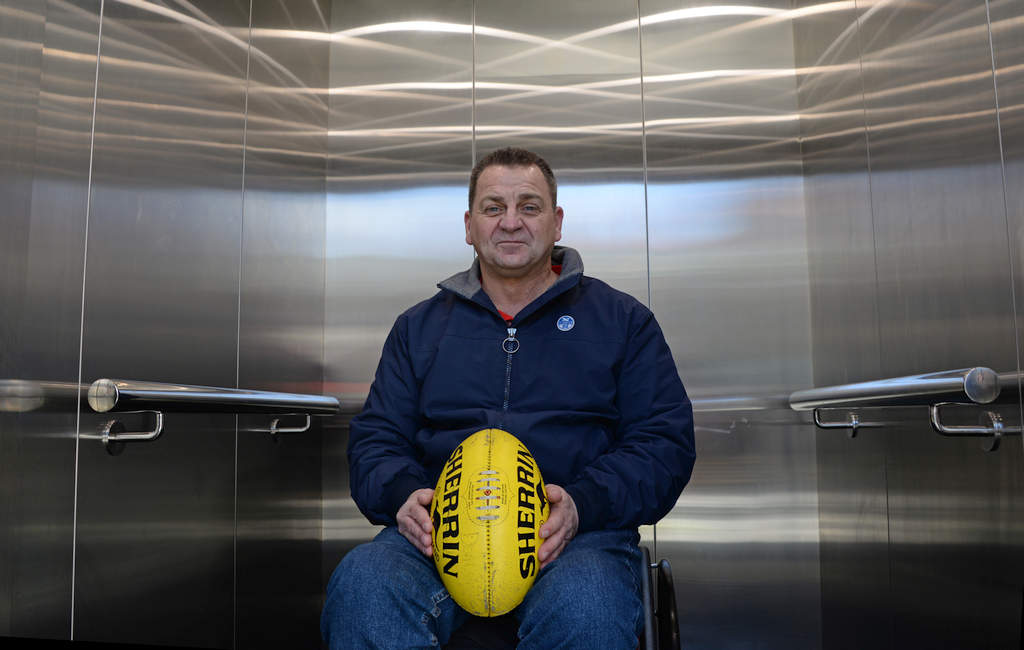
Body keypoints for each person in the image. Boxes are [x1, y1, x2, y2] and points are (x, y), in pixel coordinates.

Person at [322, 147, 695, 649]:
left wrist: (583, 504)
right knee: (364, 584)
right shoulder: (419, 328)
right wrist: (403, 495)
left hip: (577, 541)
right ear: (469, 226)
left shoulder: (623, 322)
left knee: (588, 605)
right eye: (494, 207)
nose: (511, 222)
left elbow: (663, 443)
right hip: (438, 543)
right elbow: (376, 440)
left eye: (529, 206)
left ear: (556, 223)